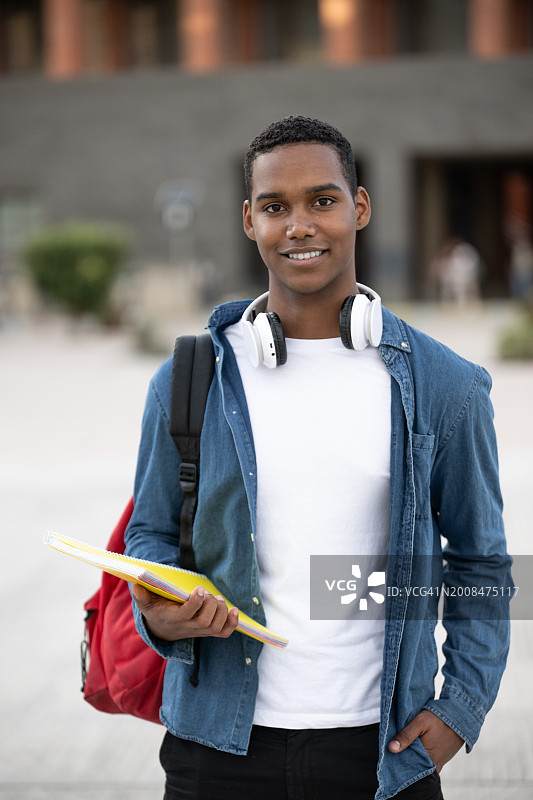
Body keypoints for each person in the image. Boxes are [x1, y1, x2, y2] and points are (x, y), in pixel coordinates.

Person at [125, 116, 512, 800]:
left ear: (359, 207)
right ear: (249, 220)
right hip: (214, 747)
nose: (298, 225)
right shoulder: (191, 380)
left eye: (322, 201)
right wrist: (157, 609)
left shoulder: (445, 385)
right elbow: (149, 535)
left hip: (380, 754)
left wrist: (461, 709)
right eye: (275, 207)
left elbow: (480, 564)